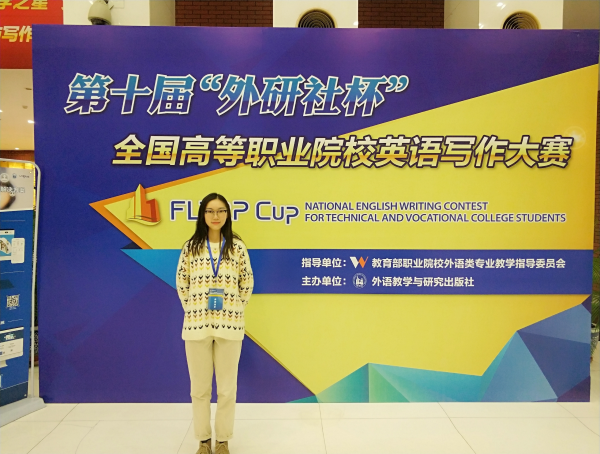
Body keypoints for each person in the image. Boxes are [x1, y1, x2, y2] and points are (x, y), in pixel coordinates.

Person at [176, 193, 254, 454]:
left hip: (230, 327)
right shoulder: (191, 247)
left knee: (227, 389)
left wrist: (235, 308)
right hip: (196, 327)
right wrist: (194, 309)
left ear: (228, 215)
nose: (216, 216)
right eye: (210, 211)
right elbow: (182, 282)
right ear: (203, 215)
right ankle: (203, 440)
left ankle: (222, 440)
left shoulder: (237, 247)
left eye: (221, 211)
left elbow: (247, 282)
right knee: (199, 390)